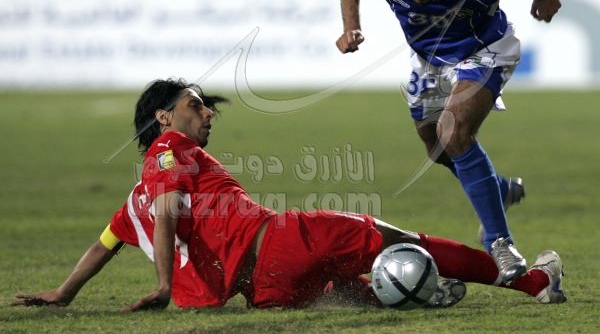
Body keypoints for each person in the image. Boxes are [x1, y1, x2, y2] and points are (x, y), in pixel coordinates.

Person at [11, 79, 566, 311]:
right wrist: (162, 286)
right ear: (163, 117)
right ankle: (534, 282)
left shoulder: (133, 198)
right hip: (280, 240)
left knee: (350, 289)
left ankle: (416, 293)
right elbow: (166, 214)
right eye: (195, 105)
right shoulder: (169, 149)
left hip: (265, 288)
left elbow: (104, 244)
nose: (206, 114)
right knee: (398, 238)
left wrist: (63, 293)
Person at [335, 0, 561, 284]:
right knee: (436, 148)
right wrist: (350, 26)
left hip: (484, 51)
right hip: (428, 60)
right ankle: (498, 190)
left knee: (454, 133)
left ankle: (500, 241)